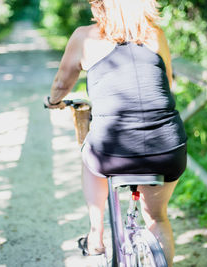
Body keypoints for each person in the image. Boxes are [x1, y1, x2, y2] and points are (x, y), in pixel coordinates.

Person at [44, 0, 187, 265]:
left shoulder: (84, 37)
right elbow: (167, 83)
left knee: (89, 153)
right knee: (157, 218)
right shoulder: (155, 35)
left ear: (100, 5)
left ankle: (96, 235)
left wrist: (53, 101)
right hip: (167, 147)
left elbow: (63, 82)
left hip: (112, 152)